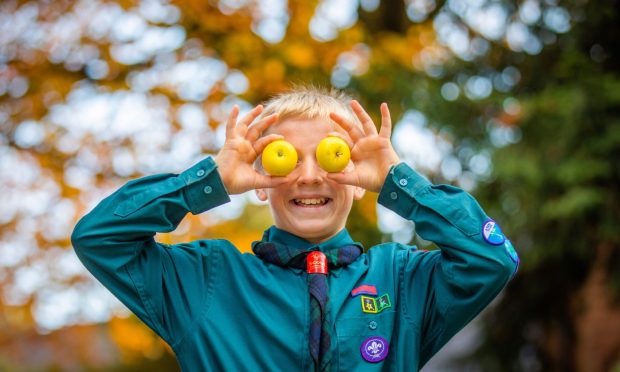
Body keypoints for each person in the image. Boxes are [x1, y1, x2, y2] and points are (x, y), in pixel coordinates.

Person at [71, 87, 519, 371]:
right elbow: (99, 239)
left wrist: (399, 182)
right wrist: (208, 182)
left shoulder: (404, 281)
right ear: (261, 184)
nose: (308, 177)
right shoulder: (207, 279)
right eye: (286, 158)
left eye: (330, 156)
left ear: (360, 182)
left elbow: (492, 259)